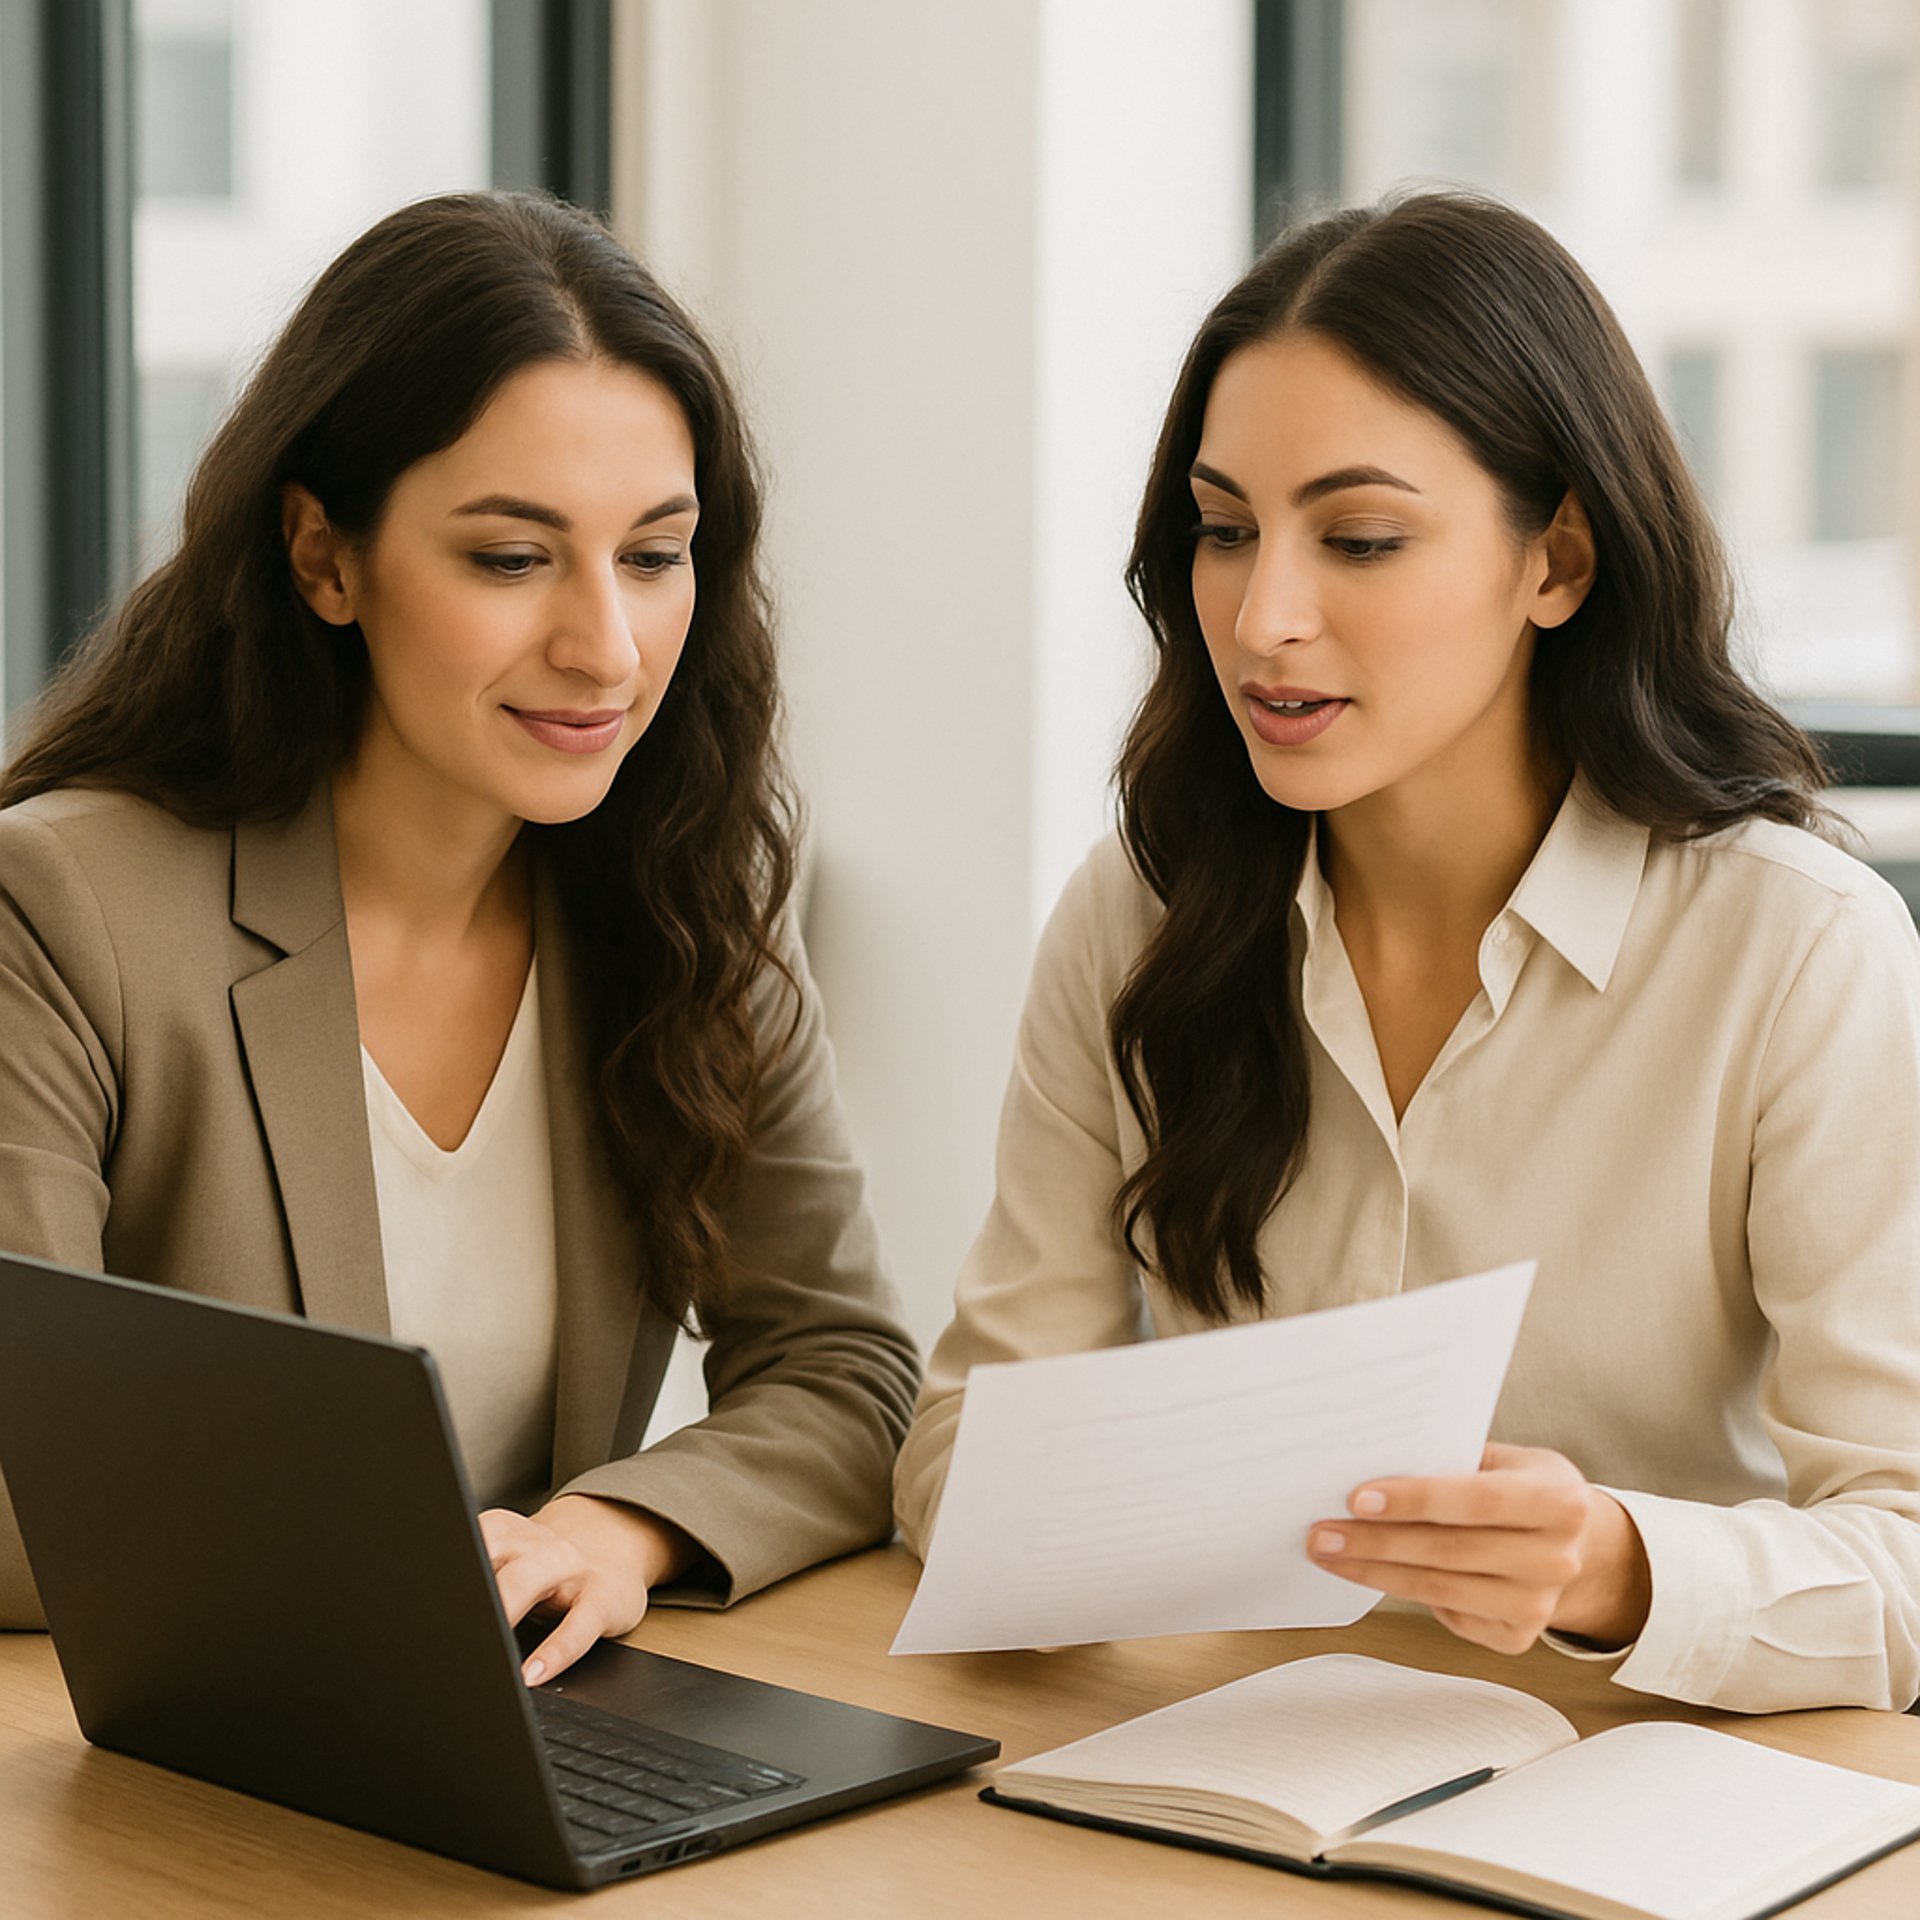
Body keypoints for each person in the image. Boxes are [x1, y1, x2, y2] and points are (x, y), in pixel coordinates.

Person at [894, 191, 1920, 1715]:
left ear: (1557, 563)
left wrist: (1614, 1566)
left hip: (1650, 1782)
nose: (1264, 619)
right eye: (1226, 531)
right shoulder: (1138, 913)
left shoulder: (1798, 949)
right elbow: (967, 1437)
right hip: (1242, 1769)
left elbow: (1903, 1559)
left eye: (1360, 538)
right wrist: (1080, 1524)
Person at [0, 191, 918, 1683]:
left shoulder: (689, 899)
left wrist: (610, 1535)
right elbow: (19, 1480)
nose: (605, 648)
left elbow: (845, 1369)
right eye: (511, 558)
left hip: (514, 1733)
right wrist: (424, 1566)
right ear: (324, 557)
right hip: (168, 1779)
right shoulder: (62, 910)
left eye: (652, 556)